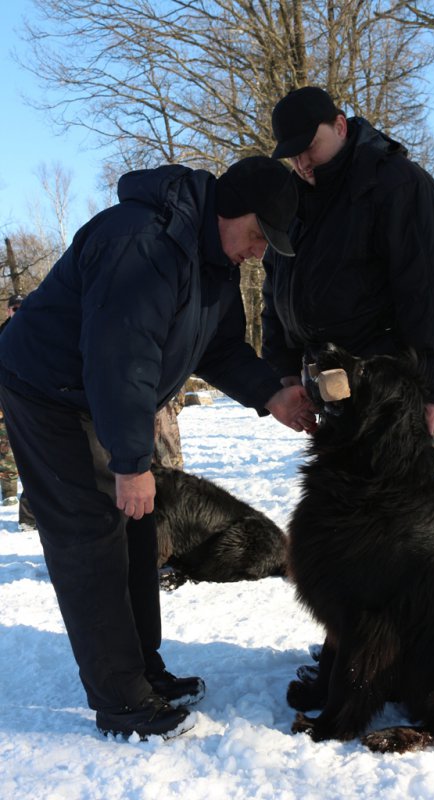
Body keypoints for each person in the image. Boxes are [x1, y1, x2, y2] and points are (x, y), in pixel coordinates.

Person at [0, 155, 316, 741]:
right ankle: (122, 701)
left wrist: (272, 394)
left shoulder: (213, 262)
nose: (259, 252)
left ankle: (142, 670)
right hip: (49, 394)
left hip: (107, 397)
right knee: (91, 538)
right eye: (257, 235)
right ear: (231, 210)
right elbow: (120, 357)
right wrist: (129, 463)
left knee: (139, 526)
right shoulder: (141, 244)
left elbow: (218, 349)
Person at [262, 86, 434, 436]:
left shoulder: (397, 185)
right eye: (292, 156)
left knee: (396, 491)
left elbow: (433, 289)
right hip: (328, 389)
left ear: (340, 126)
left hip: (393, 390)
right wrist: (282, 366)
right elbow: (276, 287)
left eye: (309, 147)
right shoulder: (293, 201)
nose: (302, 164)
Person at [0, 294, 36, 528]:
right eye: (15, 307)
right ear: (8, 310)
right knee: (7, 451)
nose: (18, 310)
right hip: (6, 400)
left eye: (22, 306)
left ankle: (31, 515)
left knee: (36, 459)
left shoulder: (36, 331)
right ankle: (10, 491)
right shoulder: (3, 334)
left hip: (34, 403)